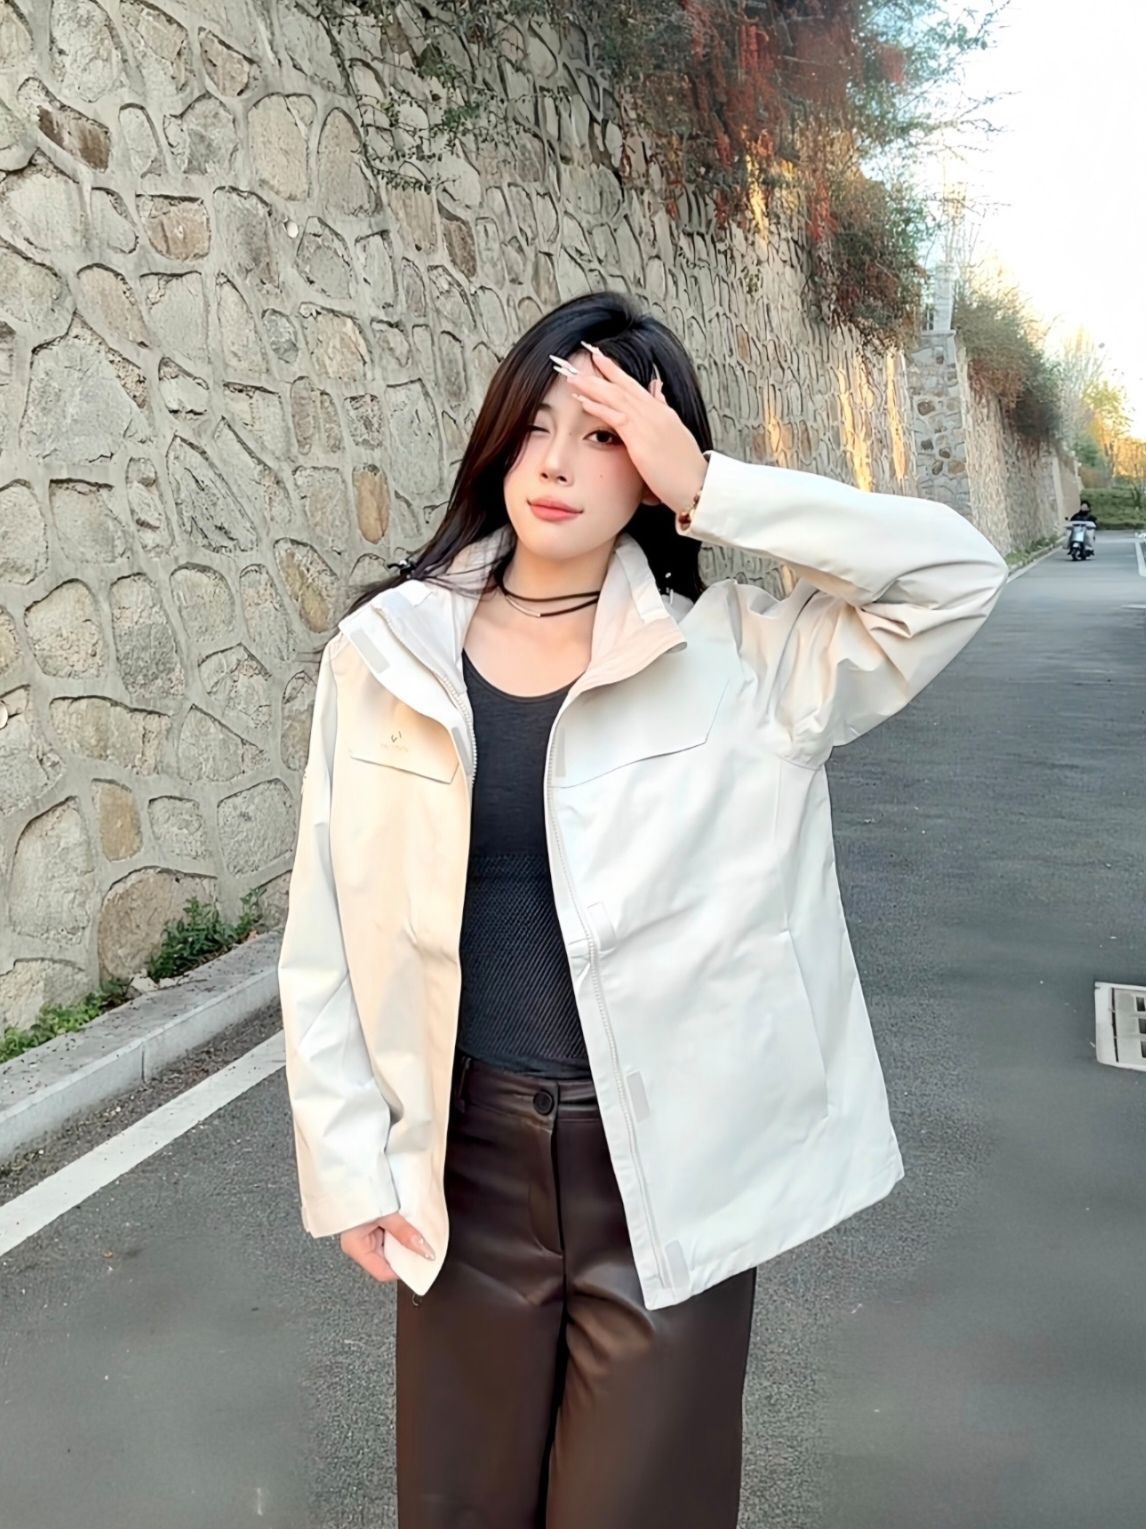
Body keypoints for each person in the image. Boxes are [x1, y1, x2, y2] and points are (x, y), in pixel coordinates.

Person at [277, 289, 1009, 1528]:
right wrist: (349, 1160)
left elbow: (953, 575)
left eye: (606, 433)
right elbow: (323, 933)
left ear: (658, 465)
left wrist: (713, 488)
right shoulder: (387, 653)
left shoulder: (742, 661)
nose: (557, 463)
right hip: (463, 1171)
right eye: (537, 424)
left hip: (668, 1178)